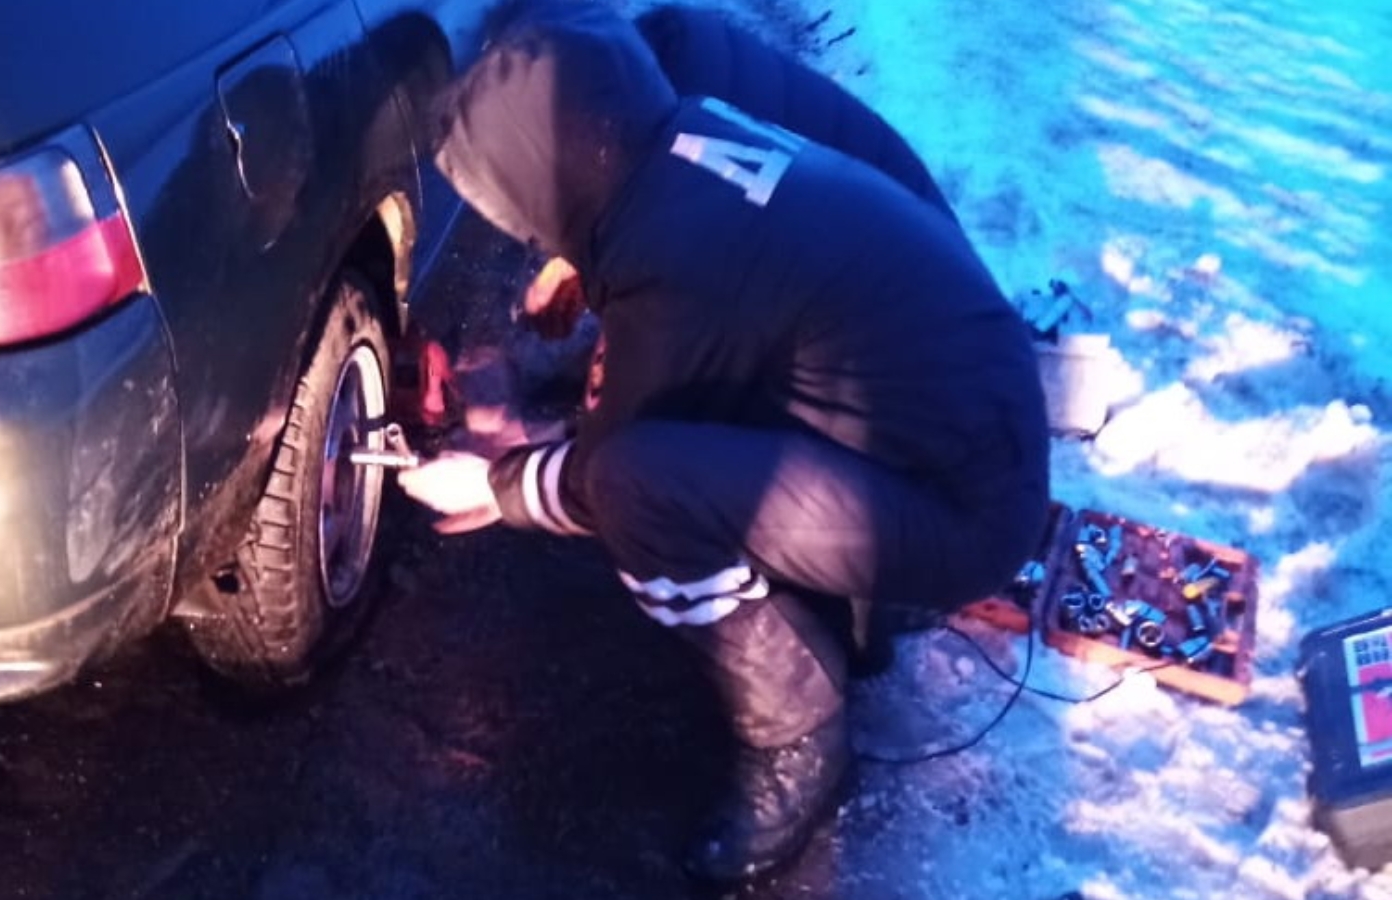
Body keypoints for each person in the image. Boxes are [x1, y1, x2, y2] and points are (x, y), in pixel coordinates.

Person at [397, 0, 1050, 882]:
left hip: (963, 513)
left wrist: (499, 484)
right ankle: (849, 604)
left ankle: (799, 739)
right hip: (970, 422)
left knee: (636, 490)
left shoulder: (670, 259)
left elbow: (604, 474)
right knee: (677, 438)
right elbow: (682, 356)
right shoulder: (695, 139)